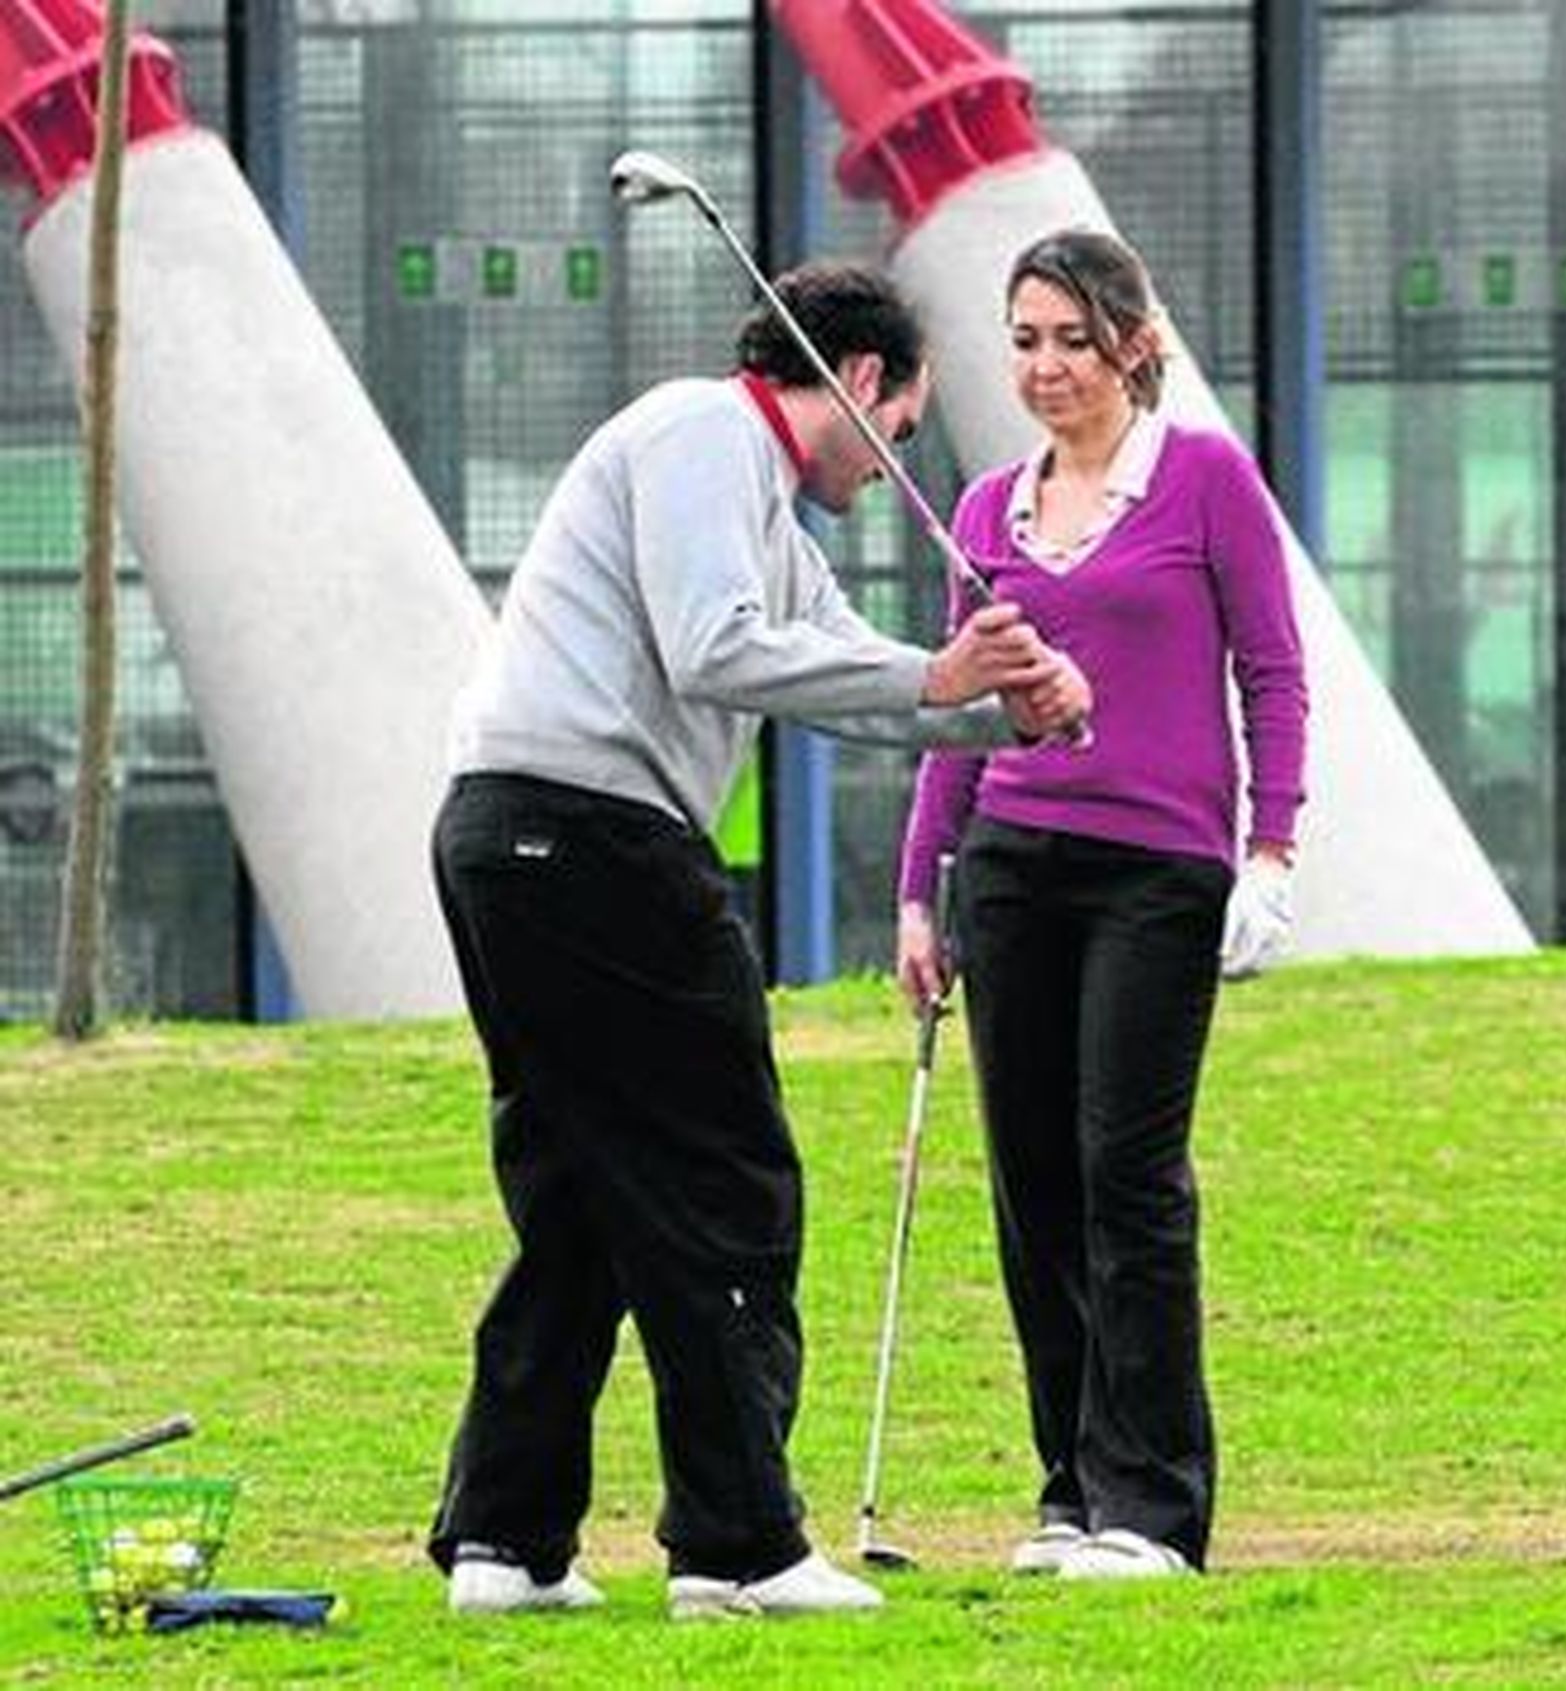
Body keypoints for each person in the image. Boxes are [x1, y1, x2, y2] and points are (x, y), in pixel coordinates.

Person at [428, 260, 1091, 1621]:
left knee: (581, 1200)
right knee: (727, 1184)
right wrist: (938, 674)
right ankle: (737, 1549)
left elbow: (852, 669)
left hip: (529, 842)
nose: (893, 457)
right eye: (902, 425)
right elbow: (715, 649)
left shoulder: (770, 515)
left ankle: (508, 1542)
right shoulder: (701, 432)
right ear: (861, 380)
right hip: (588, 841)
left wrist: (1003, 708)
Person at [896, 229, 1308, 1581]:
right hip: (1015, 868)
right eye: (1024, 339)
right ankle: (1072, 1486)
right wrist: (918, 895)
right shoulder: (985, 509)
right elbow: (962, 705)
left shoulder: (1205, 481)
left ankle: (1154, 1510)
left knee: (1128, 1179)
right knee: (1034, 1186)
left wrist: (1274, 850)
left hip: (1158, 871)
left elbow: (1273, 676)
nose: (1046, 365)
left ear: (1133, 343)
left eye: (1072, 338)